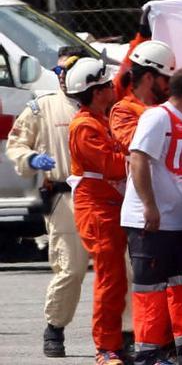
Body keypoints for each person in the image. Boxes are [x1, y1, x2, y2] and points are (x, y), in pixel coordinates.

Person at [120, 66, 182, 365]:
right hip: (151, 222)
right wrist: (149, 205)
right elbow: (138, 157)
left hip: (179, 223)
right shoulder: (158, 117)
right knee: (150, 292)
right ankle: (147, 354)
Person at [5, 47, 89, 358]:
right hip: (64, 197)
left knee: (121, 268)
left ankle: (126, 332)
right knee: (71, 268)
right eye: (58, 72)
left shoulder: (105, 105)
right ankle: (55, 326)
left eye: (70, 69)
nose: (64, 76)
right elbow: (16, 144)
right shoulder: (43, 108)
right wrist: (30, 158)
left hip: (104, 197)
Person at [66, 57, 130, 365]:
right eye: (106, 85)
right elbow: (113, 166)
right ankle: (105, 348)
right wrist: (141, 158)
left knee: (118, 278)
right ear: (95, 92)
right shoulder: (85, 127)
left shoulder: (99, 120)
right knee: (110, 278)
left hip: (109, 205)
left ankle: (116, 342)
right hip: (97, 209)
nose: (112, 88)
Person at [110, 40, 176, 151]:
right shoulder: (122, 111)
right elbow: (138, 145)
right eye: (166, 79)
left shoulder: (170, 106)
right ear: (149, 78)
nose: (169, 85)